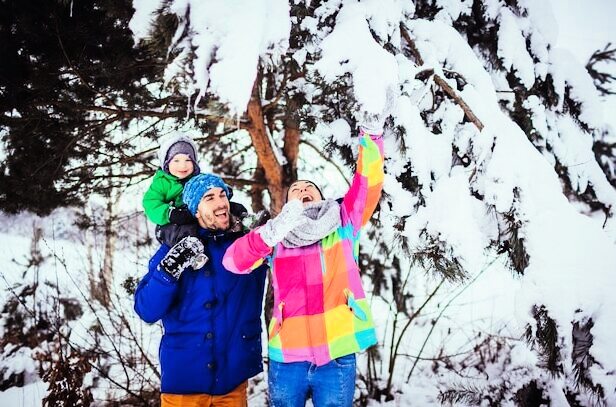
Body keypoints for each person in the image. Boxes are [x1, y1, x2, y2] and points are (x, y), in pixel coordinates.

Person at [222, 122, 385, 406]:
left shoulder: (344, 223)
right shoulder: (277, 238)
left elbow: (367, 185)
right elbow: (234, 261)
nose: (303, 190)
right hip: (287, 356)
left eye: (310, 187)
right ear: (288, 204)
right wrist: (277, 226)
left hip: (337, 351)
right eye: (296, 190)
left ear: (321, 198)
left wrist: (370, 136)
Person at [135, 173, 268, 407]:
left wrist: (266, 236)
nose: (220, 202)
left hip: (232, 381)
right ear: (195, 210)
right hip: (184, 382)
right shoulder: (174, 248)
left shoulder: (246, 245)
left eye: (222, 195)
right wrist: (169, 270)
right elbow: (146, 310)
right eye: (209, 197)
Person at [142, 134, 204, 249]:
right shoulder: (162, 183)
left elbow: (211, 184)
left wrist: (222, 190)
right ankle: (186, 251)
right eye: (176, 160)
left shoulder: (198, 180)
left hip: (194, 217)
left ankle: (242, 223)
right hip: (170, 224)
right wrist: (169, 213)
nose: (182, 165)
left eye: (188, 160)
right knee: (186, 231)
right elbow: (150, 203)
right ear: (166, 164)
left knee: (231, 208)